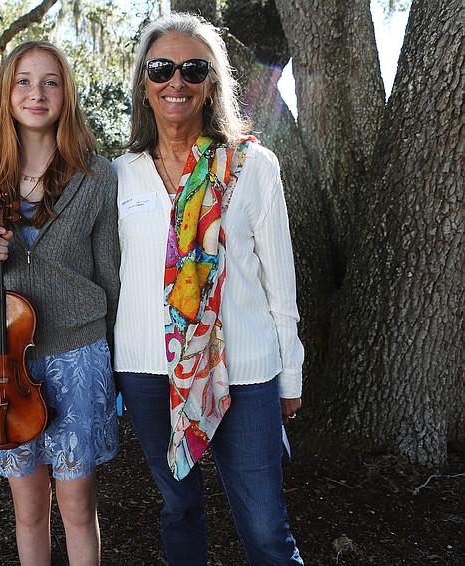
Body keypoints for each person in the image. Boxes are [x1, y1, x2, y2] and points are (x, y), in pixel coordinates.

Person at [113, 12, 304, 566]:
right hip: (148, 372)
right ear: (144, 85)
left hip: (244, 372)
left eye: (194, 68)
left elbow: (280, 285)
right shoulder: (118, 175)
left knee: (267, 530)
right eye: (162, 68)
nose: (177, 80)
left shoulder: (254, 167)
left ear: (212, 82)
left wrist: (289, 373)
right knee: (179, 513)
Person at [0, 41, 120, 566]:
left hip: (78, 354)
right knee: (28, 509)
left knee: (77, 505)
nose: (37, 92)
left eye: (50, 81)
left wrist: (113, 364)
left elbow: (109, 275)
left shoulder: (97, 176)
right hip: (8, 363)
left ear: (66, 95)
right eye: (24, 81)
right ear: (7, 95)